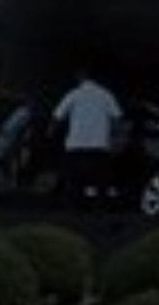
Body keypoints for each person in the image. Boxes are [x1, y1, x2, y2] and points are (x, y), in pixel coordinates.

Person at [51, 67, 122, 207]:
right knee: (101, 184)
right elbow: (117, 118)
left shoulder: (73, 94)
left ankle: (76, 211)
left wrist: (51, 133)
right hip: (99, 146)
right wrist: (114, 137)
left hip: (76, 146)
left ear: (80, 77)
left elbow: (57, 117)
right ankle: (99, 211)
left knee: (75, 183)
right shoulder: (106, 95)